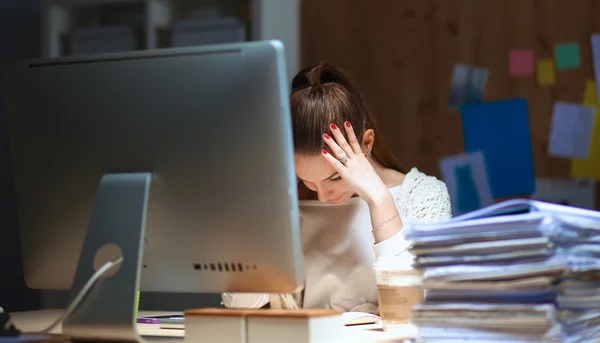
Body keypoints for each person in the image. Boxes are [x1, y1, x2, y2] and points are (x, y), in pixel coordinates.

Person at [222, 63, 452, 312]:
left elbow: (412, 309)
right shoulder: (287, 205)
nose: (322, 195)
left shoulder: (423, 195)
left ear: (366, 143)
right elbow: (239, 304)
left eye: (334, 177)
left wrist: (379, 200)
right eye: (306, 179)